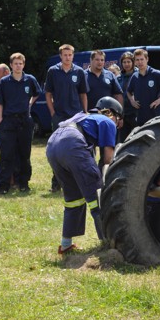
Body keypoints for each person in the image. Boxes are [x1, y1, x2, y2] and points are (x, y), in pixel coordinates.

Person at [46, 96, 122, 254]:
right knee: (97, 196)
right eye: (118, 120)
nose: (117, 124)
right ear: (113, 114)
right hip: (73, 145)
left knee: (73, 199)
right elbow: (108, 159)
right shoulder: (107, 121)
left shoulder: (84, 116)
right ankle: (108, 244)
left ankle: (65, 244)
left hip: (53, 144)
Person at [45, 44, 89, 192]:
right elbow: (48, 94)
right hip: (59, 116)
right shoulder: (53, 71)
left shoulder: (79, 71)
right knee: (56, 149)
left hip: (76, 115)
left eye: (70, 55)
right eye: (65, 55)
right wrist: (52, 113)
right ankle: (56, 184)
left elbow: (83, 94)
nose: (68, 57)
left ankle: (77, 182)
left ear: (73, 56)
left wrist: (85, 112)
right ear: (60, 56)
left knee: (76, 147)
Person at [0, 52, 41, 194]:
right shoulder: (4, 82)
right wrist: (0, 119)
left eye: (20, 63)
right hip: (8, 120)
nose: (18, 66)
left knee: (24, 154)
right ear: (11, 65)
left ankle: (23, 183)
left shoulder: (30, 80)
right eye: (15, 63)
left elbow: (37, 92)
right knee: (6, 154)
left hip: (25, 120)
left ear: (23, 65)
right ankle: (3, 185)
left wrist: (29, 103)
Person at [127, 48, 160, 126]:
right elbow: (128, 91)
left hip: (156, 117)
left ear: (147, 59)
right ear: (134, 62)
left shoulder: (155, 73)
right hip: (141, 118)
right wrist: (132, 100)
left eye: (142, 59)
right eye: (137, 60)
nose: (140, 62)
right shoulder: (135, 76)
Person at [117, 52, 137, 142]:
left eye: (128, 62)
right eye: (124, 62)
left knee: (137, 140)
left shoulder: (139, 75)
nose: (126, 64)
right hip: (123, 115)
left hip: (136, 113)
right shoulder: (118, 78)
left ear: (133, 62)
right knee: (123, 141)